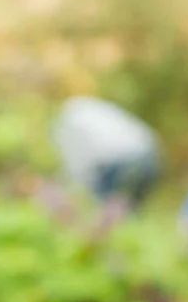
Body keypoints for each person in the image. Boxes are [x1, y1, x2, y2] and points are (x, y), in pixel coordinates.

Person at [50, 96, 161, 232]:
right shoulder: (93, 110)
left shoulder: (69, 125)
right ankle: (131, 242)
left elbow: (79, 167)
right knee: (130, 209)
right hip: (151, 152)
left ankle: (103, 244)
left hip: (117, 159)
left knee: (106, 210)